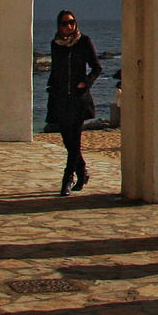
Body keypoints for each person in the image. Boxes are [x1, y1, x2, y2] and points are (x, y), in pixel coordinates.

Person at [46, 10, 102, 195]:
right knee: (68, 141)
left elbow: (97, 67)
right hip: (60, 99)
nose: (69, 26)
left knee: (75, 141)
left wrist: (85, 83)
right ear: (59, 26)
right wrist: (51, 87)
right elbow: (55, 69)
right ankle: (82, 171)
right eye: (64, 23)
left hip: (78, 100)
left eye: (71, 22)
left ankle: (67, 179)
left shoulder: (83, 42)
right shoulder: (56, 45)